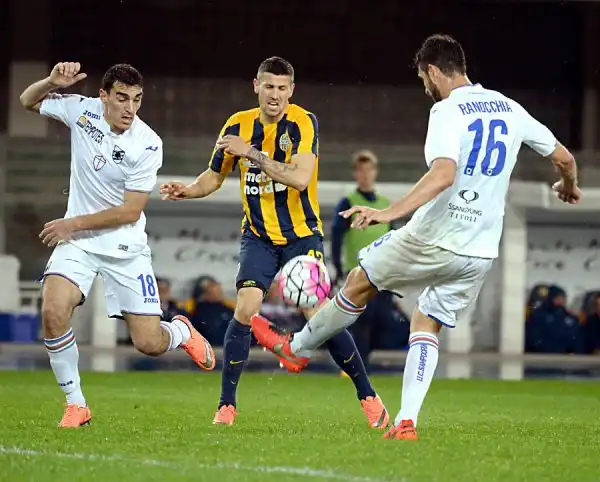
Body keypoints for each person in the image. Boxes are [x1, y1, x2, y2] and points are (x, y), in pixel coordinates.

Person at [251, 34, 581, 440]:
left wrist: (387, 212)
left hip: (434, 235)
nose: (425, 87)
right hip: (479, 250)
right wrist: (568, 185)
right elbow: (564, 158)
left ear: (434, 71)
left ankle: (296, 348)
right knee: (426, 322)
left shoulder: (447, 110)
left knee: (359, 282)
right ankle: (407, 422)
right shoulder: (511, 108)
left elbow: (443, 173)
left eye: (424, 78)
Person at [160, 56, 389, 428]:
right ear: (256, 86)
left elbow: (300, 178)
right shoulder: (237, 124)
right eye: (269, 87)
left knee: (323, 317)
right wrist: (188, 190)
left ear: (292, 91)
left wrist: (250, 153)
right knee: (245, 308)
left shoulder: (303, 122)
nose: (275, 95)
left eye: (283, 88)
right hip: (259, 236)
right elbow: (214, 176)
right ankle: (226, 406)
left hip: (301, 235)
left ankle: (367, 395)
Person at [20, 62, 216, 428]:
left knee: (148, 343)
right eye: (122, 98)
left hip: (125, 249)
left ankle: (180, 332)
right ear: (104, 96)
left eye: (137, 99)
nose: (130, 108)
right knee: (52, 312)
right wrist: (50, 81)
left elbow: (130, 211)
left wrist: (72, 222)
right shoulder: (82, 111)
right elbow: (27, 101)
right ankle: (76, 404)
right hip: (78, 243)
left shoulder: (147, 143)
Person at [331, 150, 401, 368]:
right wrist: (338, 268)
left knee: (382, 319)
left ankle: (363, 361)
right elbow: (336, 236)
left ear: (375, 172)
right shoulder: (348, 202)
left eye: (369, 170)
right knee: (362, 320)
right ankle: (354, 365)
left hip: (384, 273)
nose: (365, 175)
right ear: (355, 174)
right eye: (361, 170)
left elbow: (394, 239)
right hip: (358, 272)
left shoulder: (384, 203)